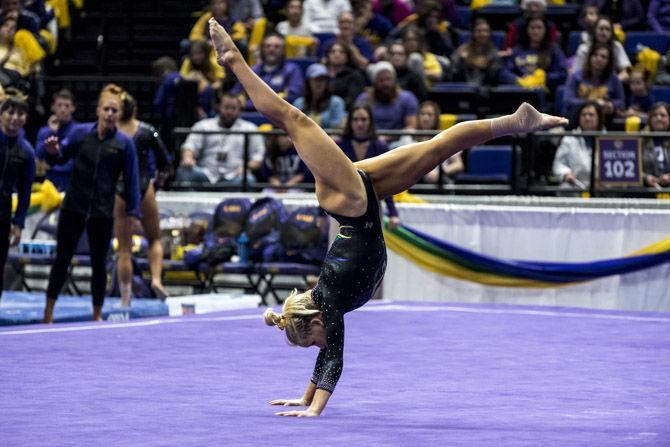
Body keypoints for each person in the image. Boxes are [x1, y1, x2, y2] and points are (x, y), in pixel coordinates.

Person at [208, 17, 567, 417]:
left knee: (294, 120)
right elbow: (326, 361)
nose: (320, 347)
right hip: (363, 197)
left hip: (349, 202)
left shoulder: (328, 305)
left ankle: (234, 60)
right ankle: (517, 121)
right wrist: (303, 398)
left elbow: (332, 361)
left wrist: (314, 410)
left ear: (313, 323)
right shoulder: (328, 311)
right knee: (439, 147)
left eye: (313, 341)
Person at [42, 84, 141, 323]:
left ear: (120, 114)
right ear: (98, 110)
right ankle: (48, 312)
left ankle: (97, 314)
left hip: (102, 211)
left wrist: (133, 211)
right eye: (106, 109)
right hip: (74, 205)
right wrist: (53, 152)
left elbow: (132, 178)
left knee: (99, 264)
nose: (110, 114)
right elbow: (59, 157)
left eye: (114, 111)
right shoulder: (79, 133)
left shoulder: (124, 144)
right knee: (62, 259)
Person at [115, 93, 172, 306]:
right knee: (154, 238)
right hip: (143, 184)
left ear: (119, 111)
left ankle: (125, 296)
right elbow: (165, 162)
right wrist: (158, 183)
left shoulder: (112, 133)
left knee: (124, 248)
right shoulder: (147, 131)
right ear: (135, 109)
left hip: (120, 187)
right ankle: (156, 280)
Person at [176, 93, 265, 185]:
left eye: (233, 108)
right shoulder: (203, 125)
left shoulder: (250, 128)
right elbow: (190, 145)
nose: (229, 112)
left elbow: (257, 156)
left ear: (239, 110)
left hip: (234, 176)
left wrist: (246, 167)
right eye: (226, 107)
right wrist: (188, 158)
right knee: (184, 171)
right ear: (218, 107)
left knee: (249, 180)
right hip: (205, 174)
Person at [336, 105, 400, 227]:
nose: (359, 123)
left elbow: (386, 181)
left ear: (370, 121)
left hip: (372, 205)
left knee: (373, 246)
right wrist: (322, 213)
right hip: (342, 206)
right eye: (355, 119)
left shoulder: (380, 146)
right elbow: (329, 179)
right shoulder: (339, 145)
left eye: (364, 119)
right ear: (350, 121)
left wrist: (393, 212)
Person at [0, 93, 34, 299]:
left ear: (25, 119)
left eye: (20, 114)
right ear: (1, 115)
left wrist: (19, 223)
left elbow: (25, 191)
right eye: (10, 112)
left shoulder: (26, 152)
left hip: (3, 211)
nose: (15, 117)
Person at [390, 100, 464, 183]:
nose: (425, 118)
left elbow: (458, 164)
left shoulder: (445, 136)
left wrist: (441, 172)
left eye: (430, 115)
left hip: (438, 181)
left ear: (436, 118)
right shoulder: (409, 135)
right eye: (422, 114)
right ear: (418, 116)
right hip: (411, 180)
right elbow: (400, 162)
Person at [500, 16, 566, 91]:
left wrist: (544, 77)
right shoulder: (518, 49)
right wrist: (518, 80)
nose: (535, 31)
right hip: (521, 88)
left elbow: (562, 73)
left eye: (539, 28)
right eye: (532, 28)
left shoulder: (554, 49)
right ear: (526, 30)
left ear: (545, 30)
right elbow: (504, 71)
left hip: (544, 90)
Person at [563, 43, 625, 120]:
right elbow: (568, 101)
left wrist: (611, 104)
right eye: (595, 55)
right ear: (589, 57)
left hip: (606, 119)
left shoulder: (613, 78)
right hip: (578, 118)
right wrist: (594, 102)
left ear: (609, 61)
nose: (599, 59)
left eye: (603, 57)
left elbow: (621, 102)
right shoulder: (576, 76)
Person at [552, 101, 604, 189]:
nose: (587, 118)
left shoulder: (609, 140)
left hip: (602, 187)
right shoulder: (569, 139)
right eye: (583, 115)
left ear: (599, 118)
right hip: (576, 185)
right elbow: (559, 164)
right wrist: (566, 174)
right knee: (565, 188)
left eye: (591, 115)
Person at [355, 61, 418, 132]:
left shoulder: (407, 98)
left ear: (394, 80)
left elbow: (411, 126)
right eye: (381, 80)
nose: (385, 84)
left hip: (399, 140)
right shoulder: (364, 99)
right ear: (374, 82)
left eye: (388, 79)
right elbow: (357, 124)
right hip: (370, 139)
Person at [35, 89, 78, 191]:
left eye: (67, 106)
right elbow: (38, 155)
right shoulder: (44, 131)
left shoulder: (78, 130)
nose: (63, 109)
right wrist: (52, 132)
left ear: (73, 108)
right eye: (59, 105)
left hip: (71, 180)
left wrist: (51, 166)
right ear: (53, 107)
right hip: (49, 181)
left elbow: (77, 160)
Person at [571, 16, 631, 83]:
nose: (604, 32)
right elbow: (575, 75)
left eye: (607, 29)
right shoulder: (584, 49)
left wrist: (610, 84)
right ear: (595, 30)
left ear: (611, 33)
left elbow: (625, 74)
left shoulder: (616, 46)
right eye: (601, 29)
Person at [450, 18, 503, 85]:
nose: (483, 34)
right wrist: (462, 60)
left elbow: (494, 76)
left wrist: (471, 61)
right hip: (464, 90)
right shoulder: (463, 50)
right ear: (473, 33)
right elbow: (452, 74)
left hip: (485, 90)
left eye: (486, 31)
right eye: (479, 31)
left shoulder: (494, 52)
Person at [293, 63, 347, 129]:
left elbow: (338, 127)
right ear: (308, 81)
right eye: (316, 79)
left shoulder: (336, 103)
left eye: (322, 79)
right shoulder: (298, 103)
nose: (319, 83)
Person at [323, 41, 367, 109]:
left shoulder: (354, 75)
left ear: (347, 56)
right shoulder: (322, 74)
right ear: (328, 55)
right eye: (333, 51)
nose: (337, 54)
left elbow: (352, 100)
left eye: (341, 52)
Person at [642, 102, 670, 188]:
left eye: (663, 115)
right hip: (646, 190)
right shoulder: (641, 140)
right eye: (655, 115)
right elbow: (633, 170)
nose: (659, 118)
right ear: (650, 119)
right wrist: (645, 177)